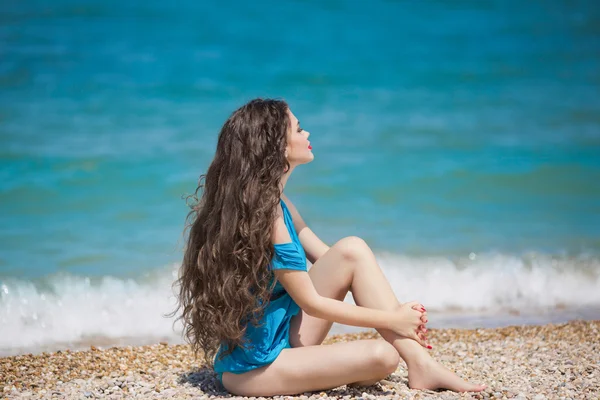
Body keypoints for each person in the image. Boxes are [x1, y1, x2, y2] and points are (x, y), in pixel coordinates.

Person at [172, 98, 486, 396]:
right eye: (297, 129)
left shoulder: (280, 205)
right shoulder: (268, 218)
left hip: (287, 334)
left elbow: (336, 260)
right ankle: (410, 361)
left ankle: (422, 364)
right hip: (256, 366)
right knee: (383, 357)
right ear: (277, 147)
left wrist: (396, 309)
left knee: (353, 248)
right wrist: (393, 320)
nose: (306, 133)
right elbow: (312, 304)